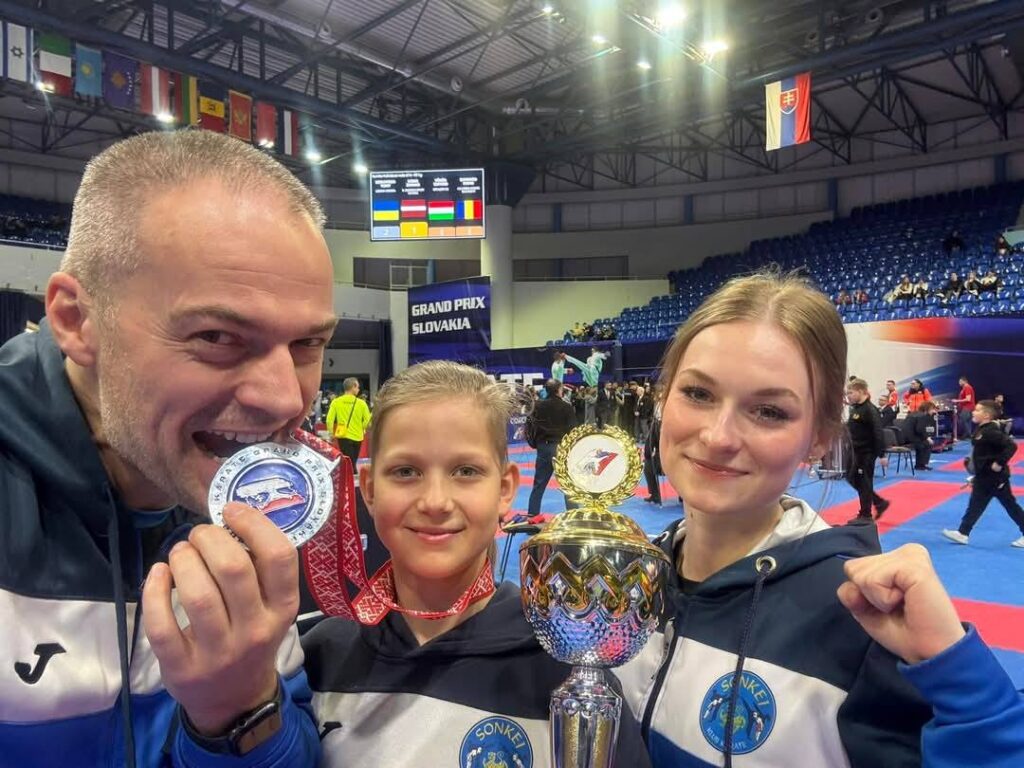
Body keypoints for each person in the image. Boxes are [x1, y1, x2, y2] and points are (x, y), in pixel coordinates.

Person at [0, 131, 325, 765]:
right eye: (218, 336)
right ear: (76, 321)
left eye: (308, 344)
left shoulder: (261, 515)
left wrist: (240, 710)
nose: (287, 399)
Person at [616, 271, 1024, 768]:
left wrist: (964, 690)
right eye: (698, 394)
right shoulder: (619, 584)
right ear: (664, 397)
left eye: (769, 411)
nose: (718, 436)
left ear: (818, 438)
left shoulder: (866, 621)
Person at [301, 361, 652, 767]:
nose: (435, 502)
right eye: (405, 471)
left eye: (466, 471)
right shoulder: (321, 657)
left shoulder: (568, 667)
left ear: (505, 489)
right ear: (369, 489)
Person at [943, 400, 1024, 548]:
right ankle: (963, 532)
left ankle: (963, 532)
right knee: (976, 504)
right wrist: (976, 475)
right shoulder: (982, 430)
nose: (973, 412)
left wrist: (999, 462)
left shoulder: (990, 431)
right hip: (984, 476)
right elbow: (983, 455)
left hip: (995, 478)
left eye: (977, 410)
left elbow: (1011, 446)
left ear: (986, 415)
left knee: (1010, 505)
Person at [525, 378, 577, 515]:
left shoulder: (537, 406)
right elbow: (573, 430)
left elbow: (529, 428)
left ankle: (532, 514)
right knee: (568, 484)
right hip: (562, 448)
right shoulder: (566, 407)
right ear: (559, 390)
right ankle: (573, 514)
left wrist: (535, 444)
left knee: (539, 484)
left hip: (544, 447)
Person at [846, 378, 891, 523]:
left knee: (864, 481)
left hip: (866, 452)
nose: (848, 396)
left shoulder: (870, 410)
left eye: (851, 393)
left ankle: (865, 514)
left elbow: (878, 432)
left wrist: (882, 454)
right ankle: (878, 502)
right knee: (851, 477)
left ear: (860, 391)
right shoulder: (856, 408)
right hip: (855, 451)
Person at [326, 377, 372, 469]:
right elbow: (368, 421)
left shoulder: (336, 402)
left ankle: (350, 475)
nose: (358, 389)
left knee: (348, 462)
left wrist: (331, 433)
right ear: (353, 386)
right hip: (357, 436)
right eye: (358, 387)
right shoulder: (361, 403)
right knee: (353, 462)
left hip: (342, 435)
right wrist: (361, 428)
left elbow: (329, 420)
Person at [903, 401, 939, 471]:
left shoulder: (913, 413)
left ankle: (919, 464)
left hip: (904, 438)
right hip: (911, 439)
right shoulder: (923, 416)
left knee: (923, 442)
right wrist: (927, 438)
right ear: (928, 409)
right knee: (927, 444)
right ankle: (922, 465)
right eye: (932, 409)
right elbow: (919, 430)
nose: (933, 411)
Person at [952, 375, 976, 439]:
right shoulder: (964, 388)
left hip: (968, 407)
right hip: (967, 407)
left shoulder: (967, 387)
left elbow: (968, 399)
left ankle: (969, 434)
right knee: (967, 421)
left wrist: (957, 400)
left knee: (962, 420)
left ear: (964, 381)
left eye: (960, 381)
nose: (959, 383)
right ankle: (968, 435)